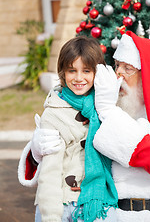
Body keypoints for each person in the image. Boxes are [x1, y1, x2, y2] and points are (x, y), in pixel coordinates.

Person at [18, 35, 118, 222]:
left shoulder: (105, 105)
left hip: (97, 202)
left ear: (98, 73)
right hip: (62, 204)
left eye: (86, 71)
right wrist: (51, 216)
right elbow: (50, 172)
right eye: (72, 71)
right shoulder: (54, 113)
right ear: (62, 73)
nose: (79, 78)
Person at [93, 31, 150, 222]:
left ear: (147, 73)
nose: (118, 75)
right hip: (114, 213)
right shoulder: (111, 100)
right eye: (117, 66)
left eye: (127, 68)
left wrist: (110, 116)